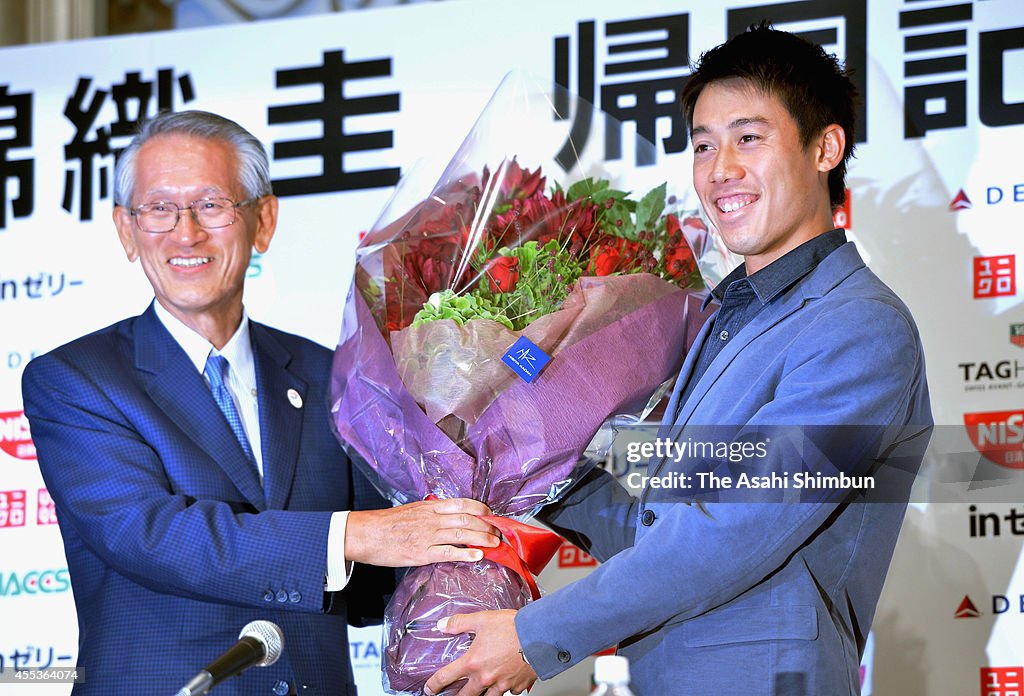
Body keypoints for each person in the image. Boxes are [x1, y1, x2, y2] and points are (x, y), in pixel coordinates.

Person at [423, 25, 933, 696]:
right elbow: (661, 522)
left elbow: (727, 530)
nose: (721, 168)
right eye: (703, 145)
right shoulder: (725, 317)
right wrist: (522, 462)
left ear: (825, 148)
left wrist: (535, 635)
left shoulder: (859, 327)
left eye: (748, 138)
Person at [21, 110, 500, 695]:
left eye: (211, 204)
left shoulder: (332, 371)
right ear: (126, 230)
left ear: (263, 220)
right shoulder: (76, 379)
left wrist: (472, 547)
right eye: (159, 209)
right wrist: (353, 534)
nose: (186, 232)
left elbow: (371, 579)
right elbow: (146, 534)